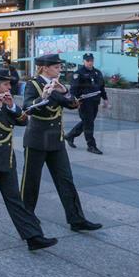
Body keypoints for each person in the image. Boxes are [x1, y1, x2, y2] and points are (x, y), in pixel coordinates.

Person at [0, 67, 58, 251]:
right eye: (7, 84)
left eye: (9, 84)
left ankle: (33, 237)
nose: (10, 88)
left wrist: (11, 107)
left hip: (6, 156)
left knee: (15, 198)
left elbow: (23, 121)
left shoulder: (9, 99)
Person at [21, 54, 102, 232]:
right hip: (37, 141)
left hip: (56, 141)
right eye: (57, 67)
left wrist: (64, 92)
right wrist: (43, 96)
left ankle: (76, 219)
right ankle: (26, 218)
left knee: (66, 180)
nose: (59, 70)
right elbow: (26, 107)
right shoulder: (32, 84)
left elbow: (72, 105)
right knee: (31, 182)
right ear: (44, 68)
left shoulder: (57, 85)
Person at [65, 53, 108, 154]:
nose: (90, 62)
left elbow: (101, 87)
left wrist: (105, 99)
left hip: (95, 102)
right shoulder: (78, 73)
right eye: (87, 61)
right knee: (89, 124)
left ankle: (70, 136)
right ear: (83, 61)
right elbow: (73, 89)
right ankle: (91, 146)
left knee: (87, 122)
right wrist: (73, 101)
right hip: (84, 102)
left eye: (91, 60)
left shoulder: (97, 72)